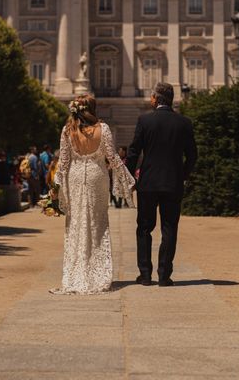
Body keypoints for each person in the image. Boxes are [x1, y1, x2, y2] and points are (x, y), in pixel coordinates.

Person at [51, 94, 134, 295]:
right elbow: (112, 157)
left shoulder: (67, 130)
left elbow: (63, 163)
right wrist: (127, 179)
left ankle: (76, 274)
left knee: (77, 223)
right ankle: (97, 274)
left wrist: (56, 187)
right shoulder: (103, 129)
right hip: (97, 176)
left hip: (76, 177)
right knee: (97, 224)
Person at [127, 82, 197, 287]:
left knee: (144, 228)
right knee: (169, 228)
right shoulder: (184, 122)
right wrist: (182, 174)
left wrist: (130, 178)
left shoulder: (144, 121)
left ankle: (146, 275)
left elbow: (133, 152)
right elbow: (192, 155)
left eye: (151, 97)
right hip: (173, 183)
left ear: (156, 99)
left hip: (148, 183)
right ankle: (164, 275)